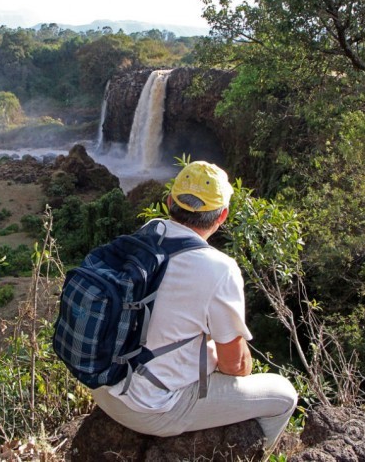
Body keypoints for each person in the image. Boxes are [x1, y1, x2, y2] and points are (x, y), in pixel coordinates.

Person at [91, 161, 297, 448]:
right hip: (149, 408)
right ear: (222, 215)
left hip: (101, 386)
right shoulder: (219, 269)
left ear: (169, 202)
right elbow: (236, 366)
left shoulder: (149, 232)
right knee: (284, 395)